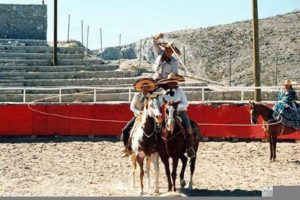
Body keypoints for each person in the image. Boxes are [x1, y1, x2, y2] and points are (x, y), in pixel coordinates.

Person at [157, 73, 196, 158]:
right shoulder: (164, 93)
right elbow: (160, 103)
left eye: (173, 82)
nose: (172, 84)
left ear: (176, 83)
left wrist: (175, 106)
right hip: (168, 114)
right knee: (159, 127)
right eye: (170, 82)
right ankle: (157, 146)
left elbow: (186, 104)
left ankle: (189, 148)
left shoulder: (180, 91)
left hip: (181, 112)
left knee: (188, 127)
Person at [120, 78, 157, 157]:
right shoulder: (137, 95)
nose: (146, 88)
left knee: (159, 129)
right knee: (125, 130)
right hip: (138, 116)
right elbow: (132, 107)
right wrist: (139, 112)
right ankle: (127, 148)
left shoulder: (152, 96)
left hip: (149, 117)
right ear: (141, 88)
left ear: (149, 88)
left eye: (147, 87)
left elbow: (154, 107)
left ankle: (158, 147)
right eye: (144, 87)